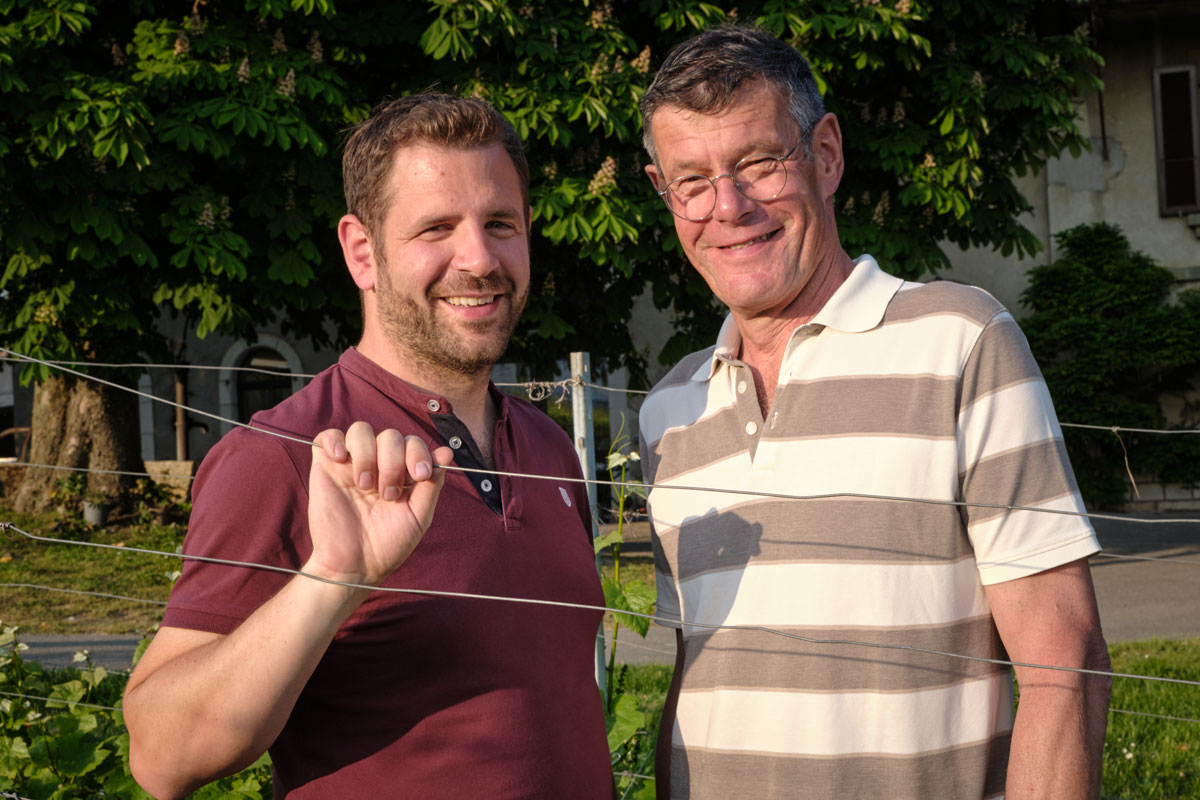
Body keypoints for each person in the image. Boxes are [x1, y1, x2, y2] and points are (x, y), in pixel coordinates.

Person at [636, 25, 1111, 800]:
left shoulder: (960, 339)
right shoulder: (669, 413)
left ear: (826, 155)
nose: (727, 206)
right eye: (691, 180)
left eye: (758, 162)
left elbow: (1068, 663)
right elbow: (700, 676)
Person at [123, 94, 613, 799]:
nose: (478, 259)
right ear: (362, 251)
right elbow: (161, 757)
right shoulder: (287, 454)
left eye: (499, 223)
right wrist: (333, 579)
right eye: (436, 228)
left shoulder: (546, 444)